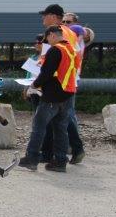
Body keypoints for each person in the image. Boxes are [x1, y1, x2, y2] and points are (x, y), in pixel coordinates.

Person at [19, 25, 77, 172]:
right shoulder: (70, 48)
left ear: (51, 35)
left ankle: (31, 158)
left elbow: (46, 73)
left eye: (47, 40)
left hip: (53, 95)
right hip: (68, 94)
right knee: (60, 129)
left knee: (38, 126)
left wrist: (33, 86)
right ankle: (60, 161)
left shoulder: (55, 50)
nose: (46, 43)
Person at [39, 4, 85, 164]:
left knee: (59, 117)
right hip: (70, 79)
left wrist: (37, 80)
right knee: (64, 116)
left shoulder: (54, 33)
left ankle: (70, 150)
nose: (42, 18)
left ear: (53, 16)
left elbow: (46, 60)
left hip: (57, 82)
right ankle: (57, 152)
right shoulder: (70, 32)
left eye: (44, 15)